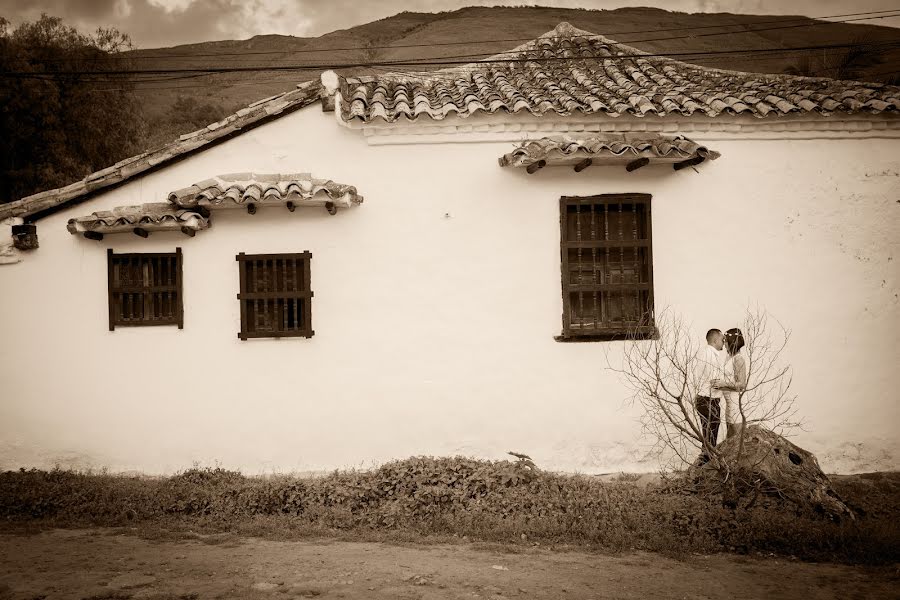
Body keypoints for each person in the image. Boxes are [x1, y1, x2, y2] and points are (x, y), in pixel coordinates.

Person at [695, 328, 725, 463]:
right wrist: (734, 385)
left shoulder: (704, 352)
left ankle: (704, 467)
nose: (724, 341)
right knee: (710, 440)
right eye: (722, 339)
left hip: (704, 399)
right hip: (709, 401)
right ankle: (705, 468)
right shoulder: (711, 356)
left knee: (708, 438)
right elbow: (715, 382)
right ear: (715, 340)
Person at [715, 328, 748, 438]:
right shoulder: (729, 357)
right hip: (728, 404)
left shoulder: (738, 359)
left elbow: (742, 384)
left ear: (732, 342)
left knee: (737, 438)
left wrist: (723, 384)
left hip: (734, 403)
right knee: (729, 438)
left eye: (726, 342)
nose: (724, 345)